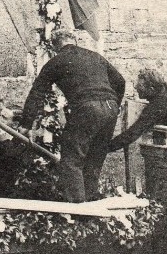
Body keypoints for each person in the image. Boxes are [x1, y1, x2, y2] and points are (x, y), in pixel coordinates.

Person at [20, 28, 125, 202]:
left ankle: (78, 213)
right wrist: (114, 104)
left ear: (54, 47)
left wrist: (26, 123)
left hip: (86, 108)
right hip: (110, 108)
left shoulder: (56, 61)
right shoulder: (96, 57)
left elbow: (37, 93)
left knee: (71, 160)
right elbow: (120, 82)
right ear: (74, 41)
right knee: (94, 160)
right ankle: (91, 209)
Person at [107, 69, 167, 152]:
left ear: (151, 89)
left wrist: (106, 148)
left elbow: (134, 132)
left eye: (140, 87)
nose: (136, 88)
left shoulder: (158, 105)